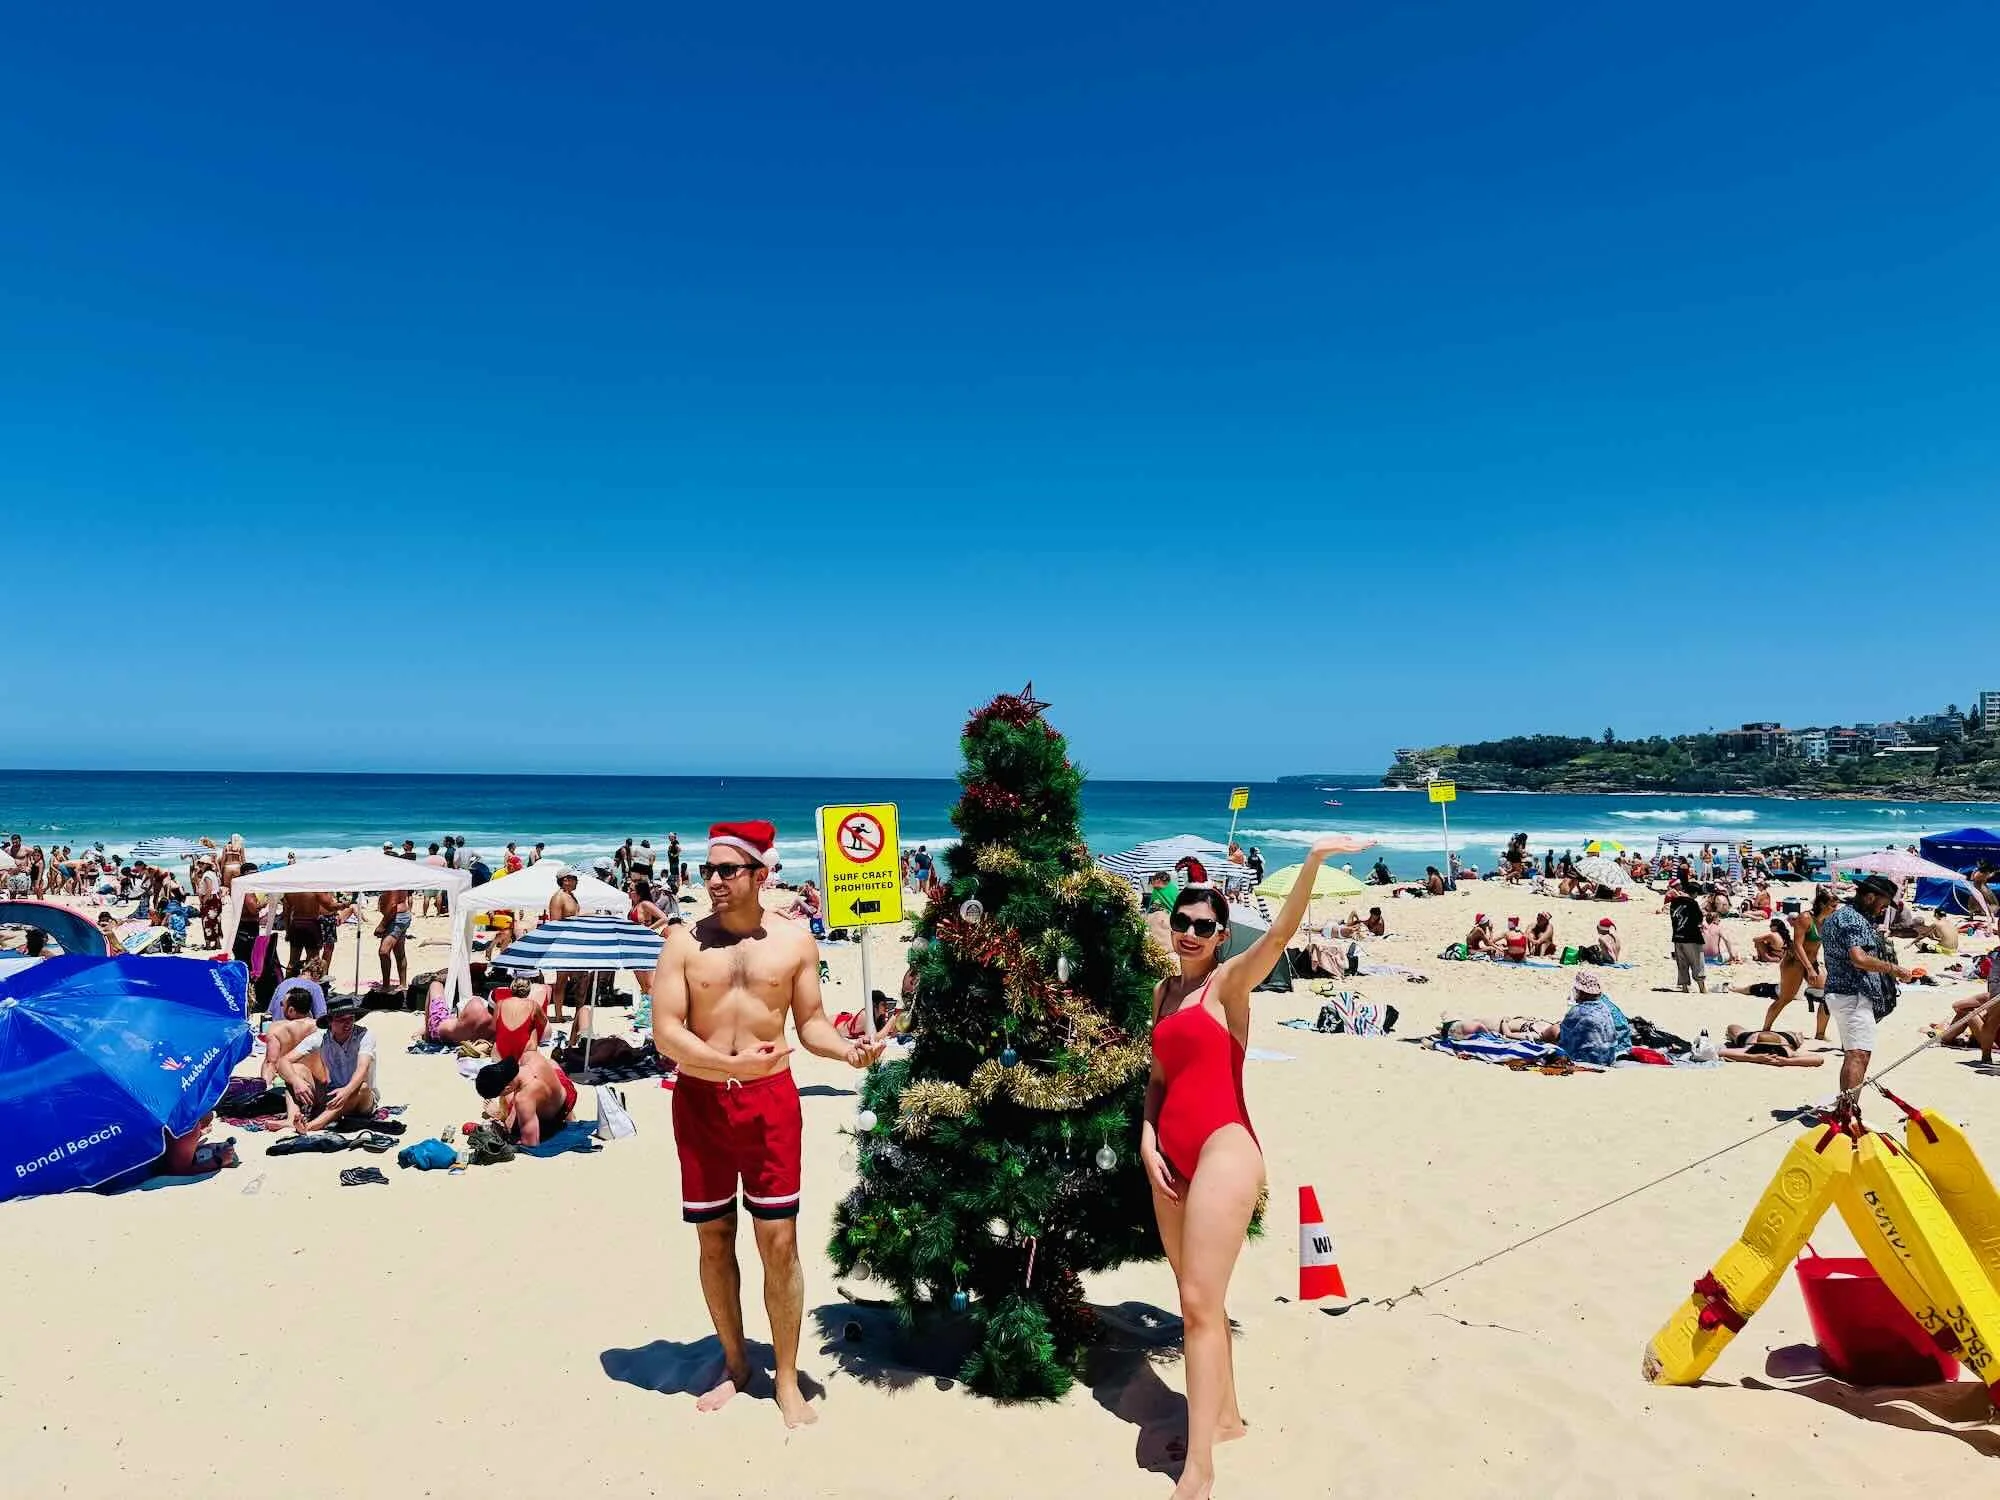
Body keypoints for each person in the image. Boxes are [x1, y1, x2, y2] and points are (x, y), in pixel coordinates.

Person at [650, 820, 882, 1428]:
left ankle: (784, 1375)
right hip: (700, 1104)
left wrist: (849, 1050)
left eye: (728, 870)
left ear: (761, 873)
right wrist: (725, 1063)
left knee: (778, 1242)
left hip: (770, 1105)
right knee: (712, 1236)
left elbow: (810, 1023)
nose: (715, 882)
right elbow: (667, 1033)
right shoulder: (681, 943)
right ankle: (734, 1363)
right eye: (708, 871)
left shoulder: (794, 941)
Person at [1141, 836, 1347, 1500]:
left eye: (1205, 926)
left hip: (1226, 1148)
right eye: (1182, 921)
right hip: (1167, 1156)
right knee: (1195, 1298)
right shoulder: (1163, 992)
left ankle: (1198, 1469)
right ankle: (1223, 1420)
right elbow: (1156, 1081)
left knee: (1200, 1305)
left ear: (1223, 935)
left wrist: (1312, 863)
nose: (1191, 933)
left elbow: (1282, 934)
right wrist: (1146, 1143)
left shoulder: (1229, 986)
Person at [1820, 874, 1915, 1102]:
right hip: (1853, 995)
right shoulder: (1854, 920)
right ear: (1871, 897)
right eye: (1883, 903)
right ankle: (1848, 1114)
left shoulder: (1840, 916)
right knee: (1858, 1055)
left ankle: (1847, 1109)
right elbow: (1859, 958)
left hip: (1841, 992)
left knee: (1854, 1053)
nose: (1884, 909)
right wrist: (1895, 969)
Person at [276, 1000, 380, 1132]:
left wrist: (346, 1091)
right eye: (342, 1019)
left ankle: (311, 1126)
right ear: (330, 1022)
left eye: (351, 1019)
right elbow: (283, 1062)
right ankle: (292, 1119)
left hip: (362, 1099)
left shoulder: (365, 1035)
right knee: (296, 1070)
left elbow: (362, 1069)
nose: (348, 1023)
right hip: (332, 1093)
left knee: (362, 1087)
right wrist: (296, 1082)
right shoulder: (321, 1037)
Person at [1763, 888, 1833, 1038]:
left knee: (1828, 995)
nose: (1835, 909)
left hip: (1812, 963)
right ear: (1822, 905)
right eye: (1832, 906)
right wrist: (1809, 969)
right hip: (1794, 962)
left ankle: (1820, 1034)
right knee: (1785, 998)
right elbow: (1797, 945)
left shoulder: (1826, 921)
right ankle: (1766, 1029)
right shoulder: (1805, 918)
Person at [477, 1048, 576, 1147]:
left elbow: (531, 1142)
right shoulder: (529, 1055)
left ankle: (499, 1112)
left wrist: (506, 1133)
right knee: (551, 1063)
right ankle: (567, 1113)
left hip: (559, 1112)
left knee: (509, 1112)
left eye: (501, 1093)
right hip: (566, 1090)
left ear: (507, 1088)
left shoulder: (523, 1099)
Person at [547, 871, 584, 1027]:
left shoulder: (572, 896)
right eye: (575, 879)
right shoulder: (558, 897)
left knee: (582, 978)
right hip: (564, 944)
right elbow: (555, 923)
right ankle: (559, 1014)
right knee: (562, 980)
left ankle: (578, 1013)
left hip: (575, 943)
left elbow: (574, 917)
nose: (577, 882)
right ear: (566, 880)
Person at [262, 988, 320, 1082]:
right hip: (316, 1085)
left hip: (288, 1082)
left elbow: (270, 1063)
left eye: (282, 1004)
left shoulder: (276, 1028)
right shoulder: (321, 1028)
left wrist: (265, 1087)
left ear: (291, 1010)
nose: (281, 1007)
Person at [1665, 882, 1707, 993]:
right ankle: (1702, 989)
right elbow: (1698, 919)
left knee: (1682, 964)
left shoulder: (1673, 902)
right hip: (1692, 937)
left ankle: (1684, 987)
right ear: (1694, 893)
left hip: (1677, 936)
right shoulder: (1692, 903)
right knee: (1697, 963)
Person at [375, 889, 412, 993]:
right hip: (400, 915)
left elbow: (392, 905)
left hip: (396, 917)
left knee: (384, 951)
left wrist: (382, 925)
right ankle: (403, 984)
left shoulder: (393, 879)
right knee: (399, 951)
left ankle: (386, 986)